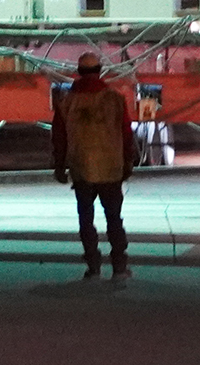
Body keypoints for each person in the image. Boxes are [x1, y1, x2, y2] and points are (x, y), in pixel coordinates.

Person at [51, 52, 135, 281]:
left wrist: (59, 166)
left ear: (79, 72)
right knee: (114, 218)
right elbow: (127, 134)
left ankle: (93, 267)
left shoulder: (66, 102)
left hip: (81, 170)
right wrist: (128, 162)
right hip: (111, 169)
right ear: (100, 70)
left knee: (86, 219)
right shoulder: (115, 99)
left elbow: (59, 137)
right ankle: (119, 268)